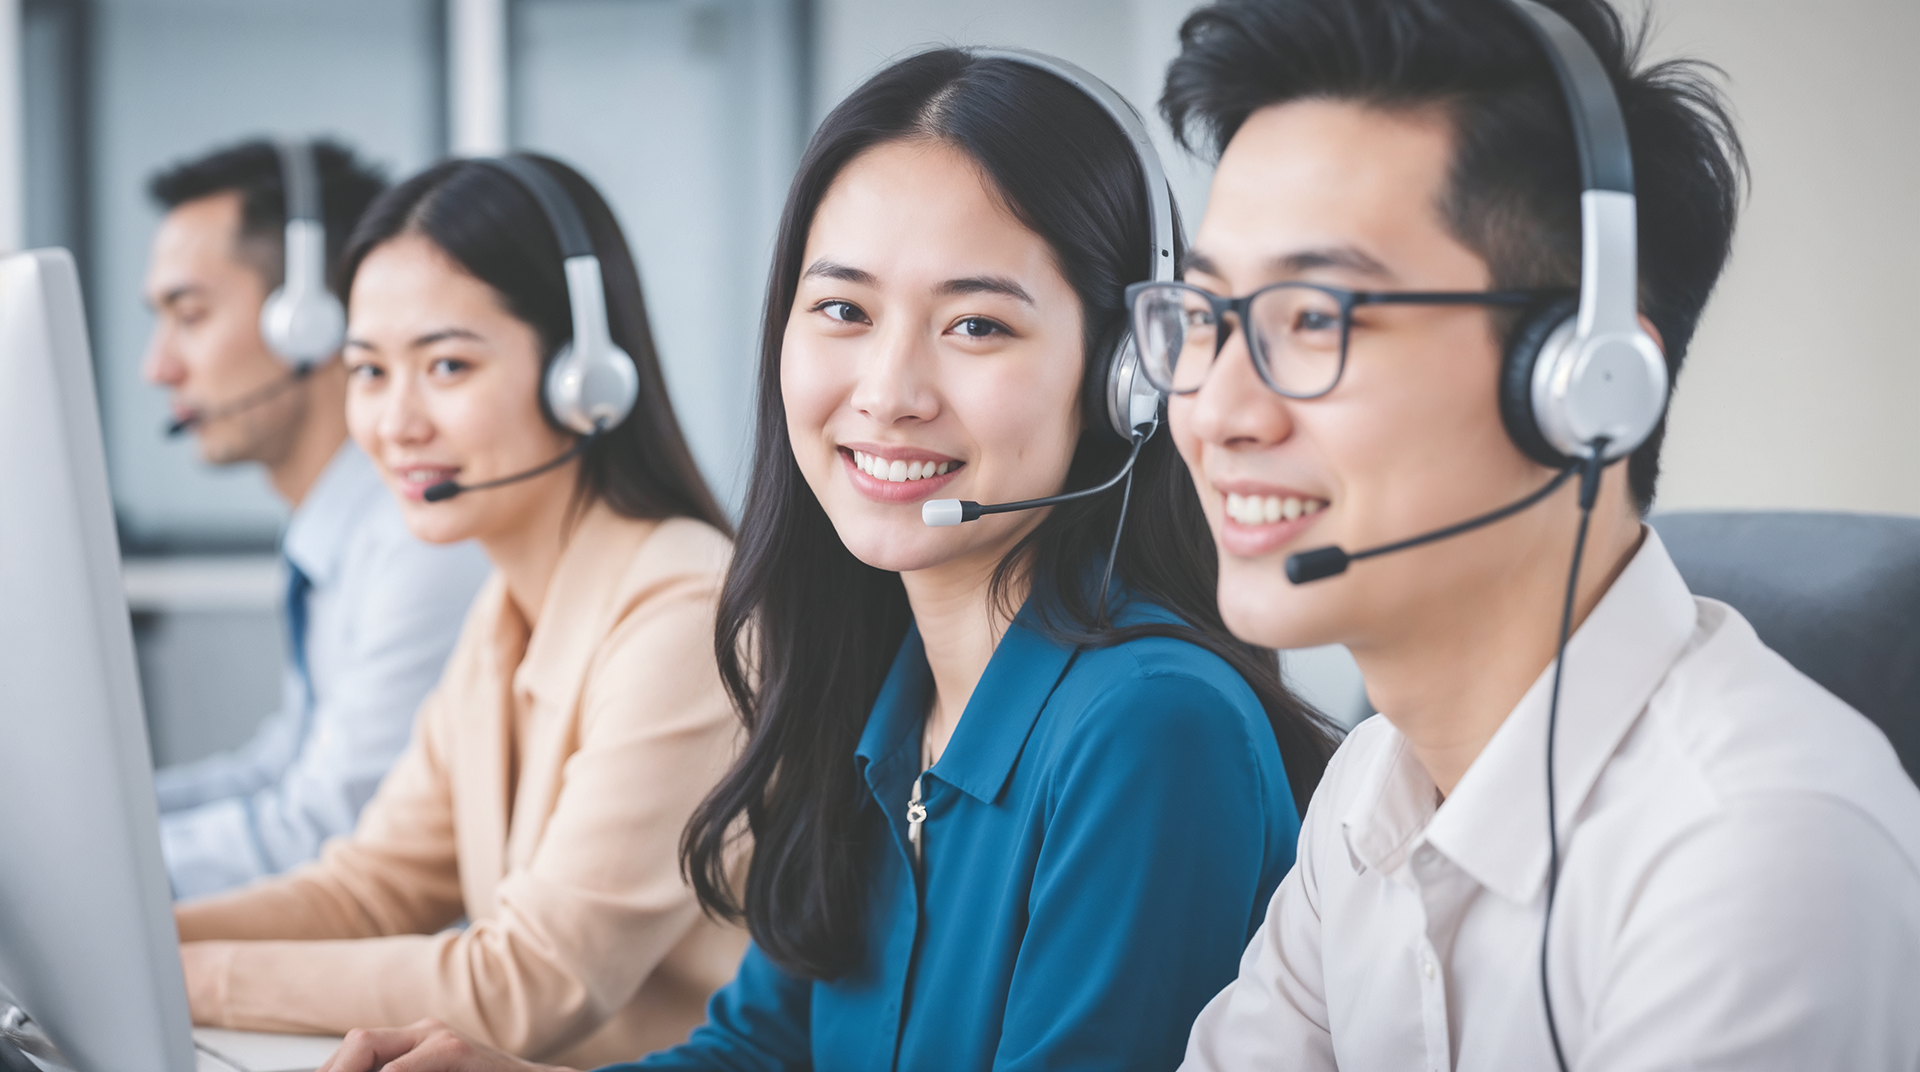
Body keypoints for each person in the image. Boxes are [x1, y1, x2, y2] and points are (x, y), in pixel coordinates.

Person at [315, 48, 1341, 1072]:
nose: (888, 391)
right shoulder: (872, 690)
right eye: (844, 310)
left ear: (1127, 377)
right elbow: (758, 1051)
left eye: (976, 324)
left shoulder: (1152, 729)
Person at [1145, 0, 1920, 1068]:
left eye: (1315, 318)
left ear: (1586, 382)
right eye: (1203, 319)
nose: (1219, 411)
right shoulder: (1373, 783)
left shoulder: (1760, 853)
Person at [173, 153, 748, 1068]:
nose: (395, 422)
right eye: (368, 371)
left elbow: (528, 982)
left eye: (446, 365)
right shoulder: (505, 612)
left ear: (582, 376)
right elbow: (368, 891)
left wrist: (183, 977)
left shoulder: (684, 609)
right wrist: (135, 939)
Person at [143, 138, 491, 899]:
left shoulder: (420, 540)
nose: (158, 367)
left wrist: (82, 871)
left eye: (189, 315)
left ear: (309, 321)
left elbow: (327, 827)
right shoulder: (331, 533)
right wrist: (101, 826)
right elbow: (284, 766)